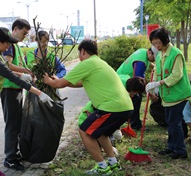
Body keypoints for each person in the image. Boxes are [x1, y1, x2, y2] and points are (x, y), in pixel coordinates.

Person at [43, 39, 134, 175]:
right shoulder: (100, 63)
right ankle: (113, 164)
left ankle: (102, 167)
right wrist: (58, 81)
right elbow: (79, 83)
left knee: (85, 131)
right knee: (100, 133)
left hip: (111, 107)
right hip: (125, 107)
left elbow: (60, 84)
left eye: (79, 53)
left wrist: (49, 81)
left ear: (83, 51)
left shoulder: (87, 63)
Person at [0, 27, 52, 176]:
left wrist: (22, 75)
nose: (9, 46)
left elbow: (7, 72)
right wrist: (39, 93)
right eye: (7, 43)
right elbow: (10, 76)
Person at [146, 27, 191, 159]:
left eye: (158, 43)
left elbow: (176, 75)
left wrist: (159, 83)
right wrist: (153, 85)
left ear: (165, 40)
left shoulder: (176, 53)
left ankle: (180, 150)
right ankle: (171, 146)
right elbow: (157, 71)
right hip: (167, 95)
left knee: (174, 123)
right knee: (169, 121)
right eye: (154, 43)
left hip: (178, 94)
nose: (156, 46)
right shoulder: (160, 54)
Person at [0, 18, 32, 171]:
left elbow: (18, 65)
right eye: (24, 33)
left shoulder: (16, 46)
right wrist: (24, 73)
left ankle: (15, 153)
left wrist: (27, 71)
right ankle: (10, 158)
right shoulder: (9, 45)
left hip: (16, 88)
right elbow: (7, 66)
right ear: (15, 29)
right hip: (9, 89)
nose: (24, 36)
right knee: (12, 125)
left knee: (17, 123)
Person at [116, 46, 158, 130]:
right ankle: (135, 125)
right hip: (125, 82)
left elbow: (149, 63)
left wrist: (155, 67)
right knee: (136, 98)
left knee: (135, 98)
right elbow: (140, 83)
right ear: (150, 52)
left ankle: (131, 120)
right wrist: (150, 95)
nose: (154, 60)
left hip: (123, 77)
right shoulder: (141, 63)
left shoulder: (143, 52)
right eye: (154, 58)